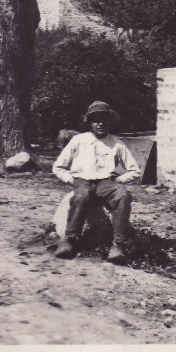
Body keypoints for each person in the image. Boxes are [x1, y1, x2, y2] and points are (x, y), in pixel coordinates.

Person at [52, 101, 141, 263]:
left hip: (106, 183)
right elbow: (58, 167)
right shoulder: (78, 141)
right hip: (82, 182)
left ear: (110, 122)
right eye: (95, 120)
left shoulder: (117, 144)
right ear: (89, 123)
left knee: (123, 196)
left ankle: (118, 243)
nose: (100, 124)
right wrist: (71, 180)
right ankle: (70, 239)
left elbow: (135, 170)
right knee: (82, 196)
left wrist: (118, 180)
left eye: (104, 119)